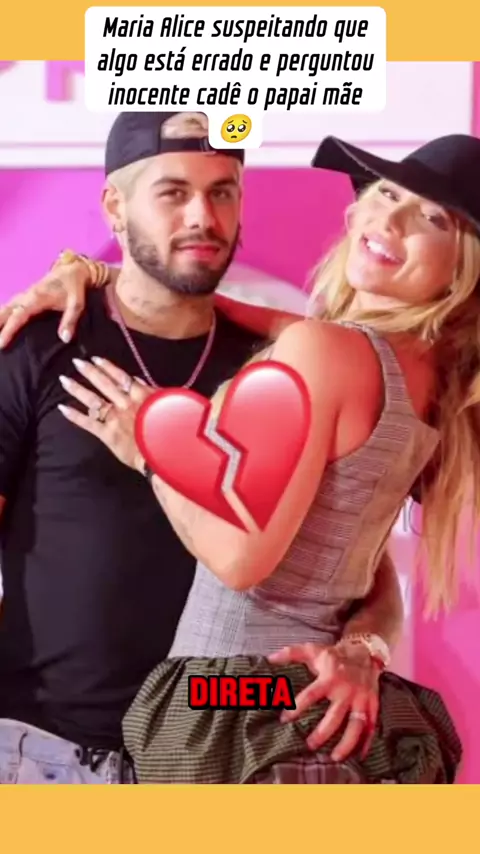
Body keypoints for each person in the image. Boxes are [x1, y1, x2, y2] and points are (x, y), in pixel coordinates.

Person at [9, 132, 476, 784]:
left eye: (432, 218)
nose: (391, 218)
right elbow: (366, 569)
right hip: (289, 711)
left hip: (223, 706)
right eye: (388, 193)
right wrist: (104, 273)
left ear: (464, 267)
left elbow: (240, 560)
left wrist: (151, 446)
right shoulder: (424, 377)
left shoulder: (318, 354)